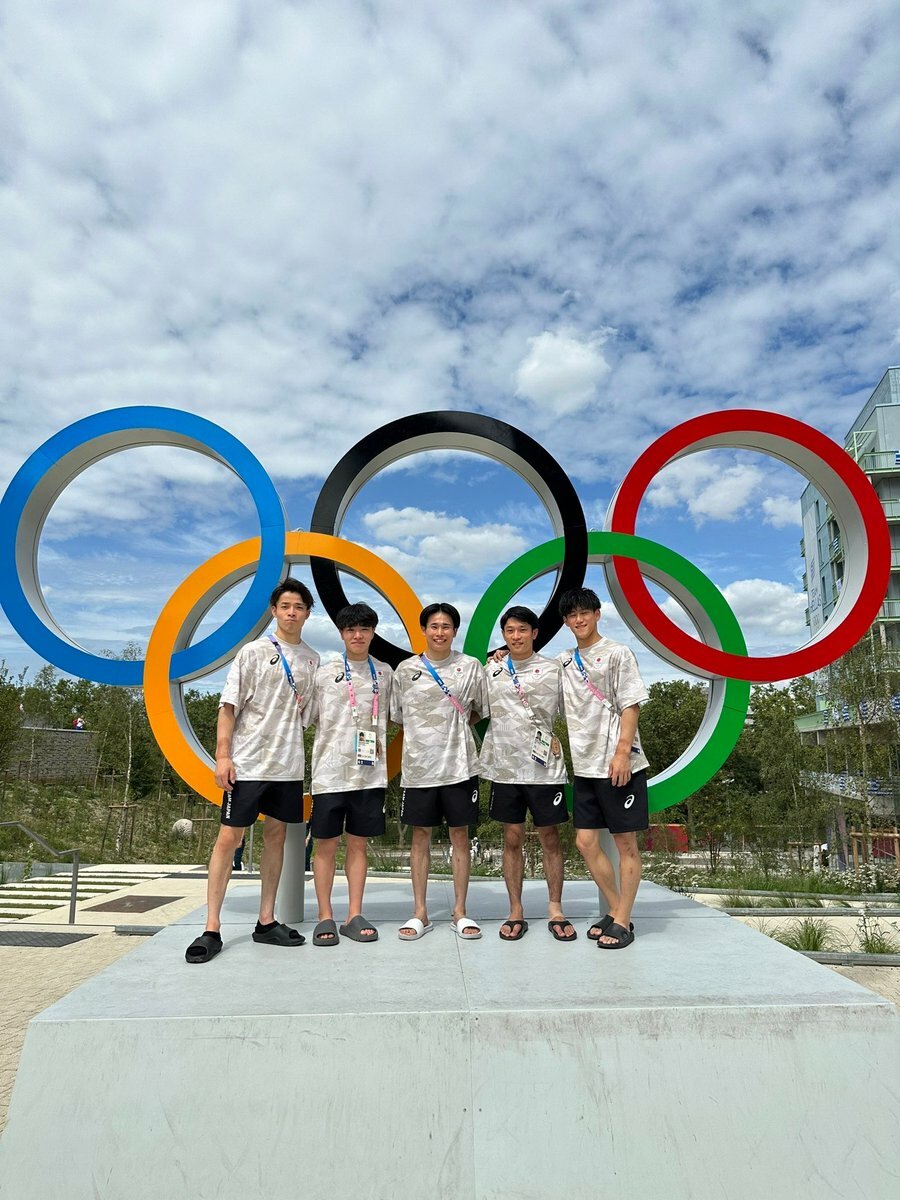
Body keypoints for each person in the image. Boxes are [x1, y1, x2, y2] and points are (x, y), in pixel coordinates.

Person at [185, 578, 319, 964]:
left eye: (299, 607)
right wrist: (222, 756)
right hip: (247, 763)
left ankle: (266, 921)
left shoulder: (312, 659)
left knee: (276, 837)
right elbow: (228, 707)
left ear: (307, 613)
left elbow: (310, 714)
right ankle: (212, 927)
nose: (292, 612)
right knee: (229, 838)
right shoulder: (253, 652)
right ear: (274, 611)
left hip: (287, 766)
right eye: (285, 606)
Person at [557, 587, 650, 950]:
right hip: (585, 767)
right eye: (572, 615)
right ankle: (616, 909)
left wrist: (622, 753)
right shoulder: (565, 660)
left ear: (597, 614)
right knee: (585, 842)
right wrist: (501, 655)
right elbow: (531, 670)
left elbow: (631, 705)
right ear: (566, 621)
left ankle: (623, 921)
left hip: (618, 765)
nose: (578, 619)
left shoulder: (617, 653)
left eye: (585, 612)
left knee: (626, 844)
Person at [393, 602, 488, 941]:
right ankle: (420, 912)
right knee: (420, 836)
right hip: (419, 770)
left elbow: (479, 710)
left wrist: (453, 729)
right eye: (434, 626)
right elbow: (399, 716)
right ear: (423, 630)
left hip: (460, 767)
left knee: (460, 836)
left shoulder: (471, 667)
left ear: (454, 631)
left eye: (446, 626)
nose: (439, 632)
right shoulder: (405, 670)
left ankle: (460, 911)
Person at [480, 605, 574, 942]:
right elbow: (470, 705)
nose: (516, 636)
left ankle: (555, 908)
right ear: (503, 636)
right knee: (511, 838)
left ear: (535, 633)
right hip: (505, 768)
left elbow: (576, 709)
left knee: (550, 837)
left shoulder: (554, 669)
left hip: (544, 768)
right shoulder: (491, 670)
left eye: (522, 630)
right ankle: (515, 910)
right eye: (510, 631)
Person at [306, 603, 394, 946]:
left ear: (373, 632)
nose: (358, 635)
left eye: (364, 629)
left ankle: (354, 914)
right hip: (329, 774)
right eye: (350, 630)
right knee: (326, 845)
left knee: (358, 844)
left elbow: (400, 712)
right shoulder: (324, 674)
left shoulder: (384, 673)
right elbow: (307, 717)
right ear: (342, 634)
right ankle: (324, 915)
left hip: (369, 776)